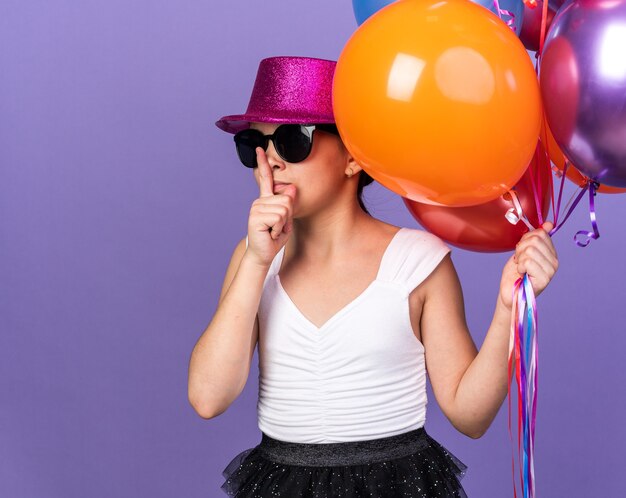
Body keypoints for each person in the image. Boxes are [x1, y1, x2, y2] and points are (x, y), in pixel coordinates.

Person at [188, 56, 559, 497]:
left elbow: (469, 415)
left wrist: (507, 309)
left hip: (395, 483)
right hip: (281, 480)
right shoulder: (254, 257)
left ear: (352, 158)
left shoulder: (418, 262)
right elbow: (208, 398)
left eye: (293, 140)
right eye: (255, 144)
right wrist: (255, 261)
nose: (270, 162)